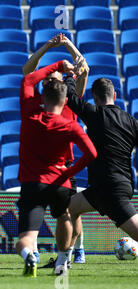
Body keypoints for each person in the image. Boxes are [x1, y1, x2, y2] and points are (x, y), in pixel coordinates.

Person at [16, 59, 97, 277]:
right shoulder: (71, 125)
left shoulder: (29, 113)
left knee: (26, 238)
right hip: (60, 181)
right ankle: (63, 262)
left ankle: (29, 256)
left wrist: (58, 65)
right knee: (65, 216)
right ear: (64, 101)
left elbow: (28, 78)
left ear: (43, 97)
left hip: (33, 182)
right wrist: (68, 173)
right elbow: (92, 154)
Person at [65, 58, 138, 250]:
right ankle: (65, 260)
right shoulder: (130, 121)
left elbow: (70, 97)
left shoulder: (94, 113)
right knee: (69, 208)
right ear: (114, 95)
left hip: (110, 188)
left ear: (95, 98)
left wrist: (71, 76)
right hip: (109, 186)